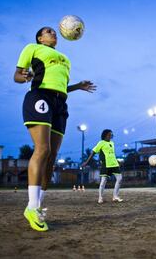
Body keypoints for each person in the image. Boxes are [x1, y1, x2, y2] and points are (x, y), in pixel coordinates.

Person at [14, 26, 96, 231]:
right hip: (40, 96)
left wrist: (77, 86)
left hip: (61, 104)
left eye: (54, 32)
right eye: (48, 31)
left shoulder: (65, 59)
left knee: (52, 157)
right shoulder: (32, 48)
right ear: (40, 38)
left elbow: (60, 86)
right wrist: (24, 77)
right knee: (43, 149)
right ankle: (31, 207)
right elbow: (17, 75)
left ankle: (38, 206)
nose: (53, 33)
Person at [82, 129, 123, 204]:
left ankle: (115, 196)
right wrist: (86, 162)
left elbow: (112, 154)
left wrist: (117, 161)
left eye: (111, 135)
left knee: (120, 179)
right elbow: (93, 153)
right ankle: (100, 198)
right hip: (106, 164)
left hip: (114, 164)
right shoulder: (101, 143)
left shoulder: (112, 143)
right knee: (103, 181)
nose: (111, 136)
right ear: (105, 135)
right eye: (109, 134)